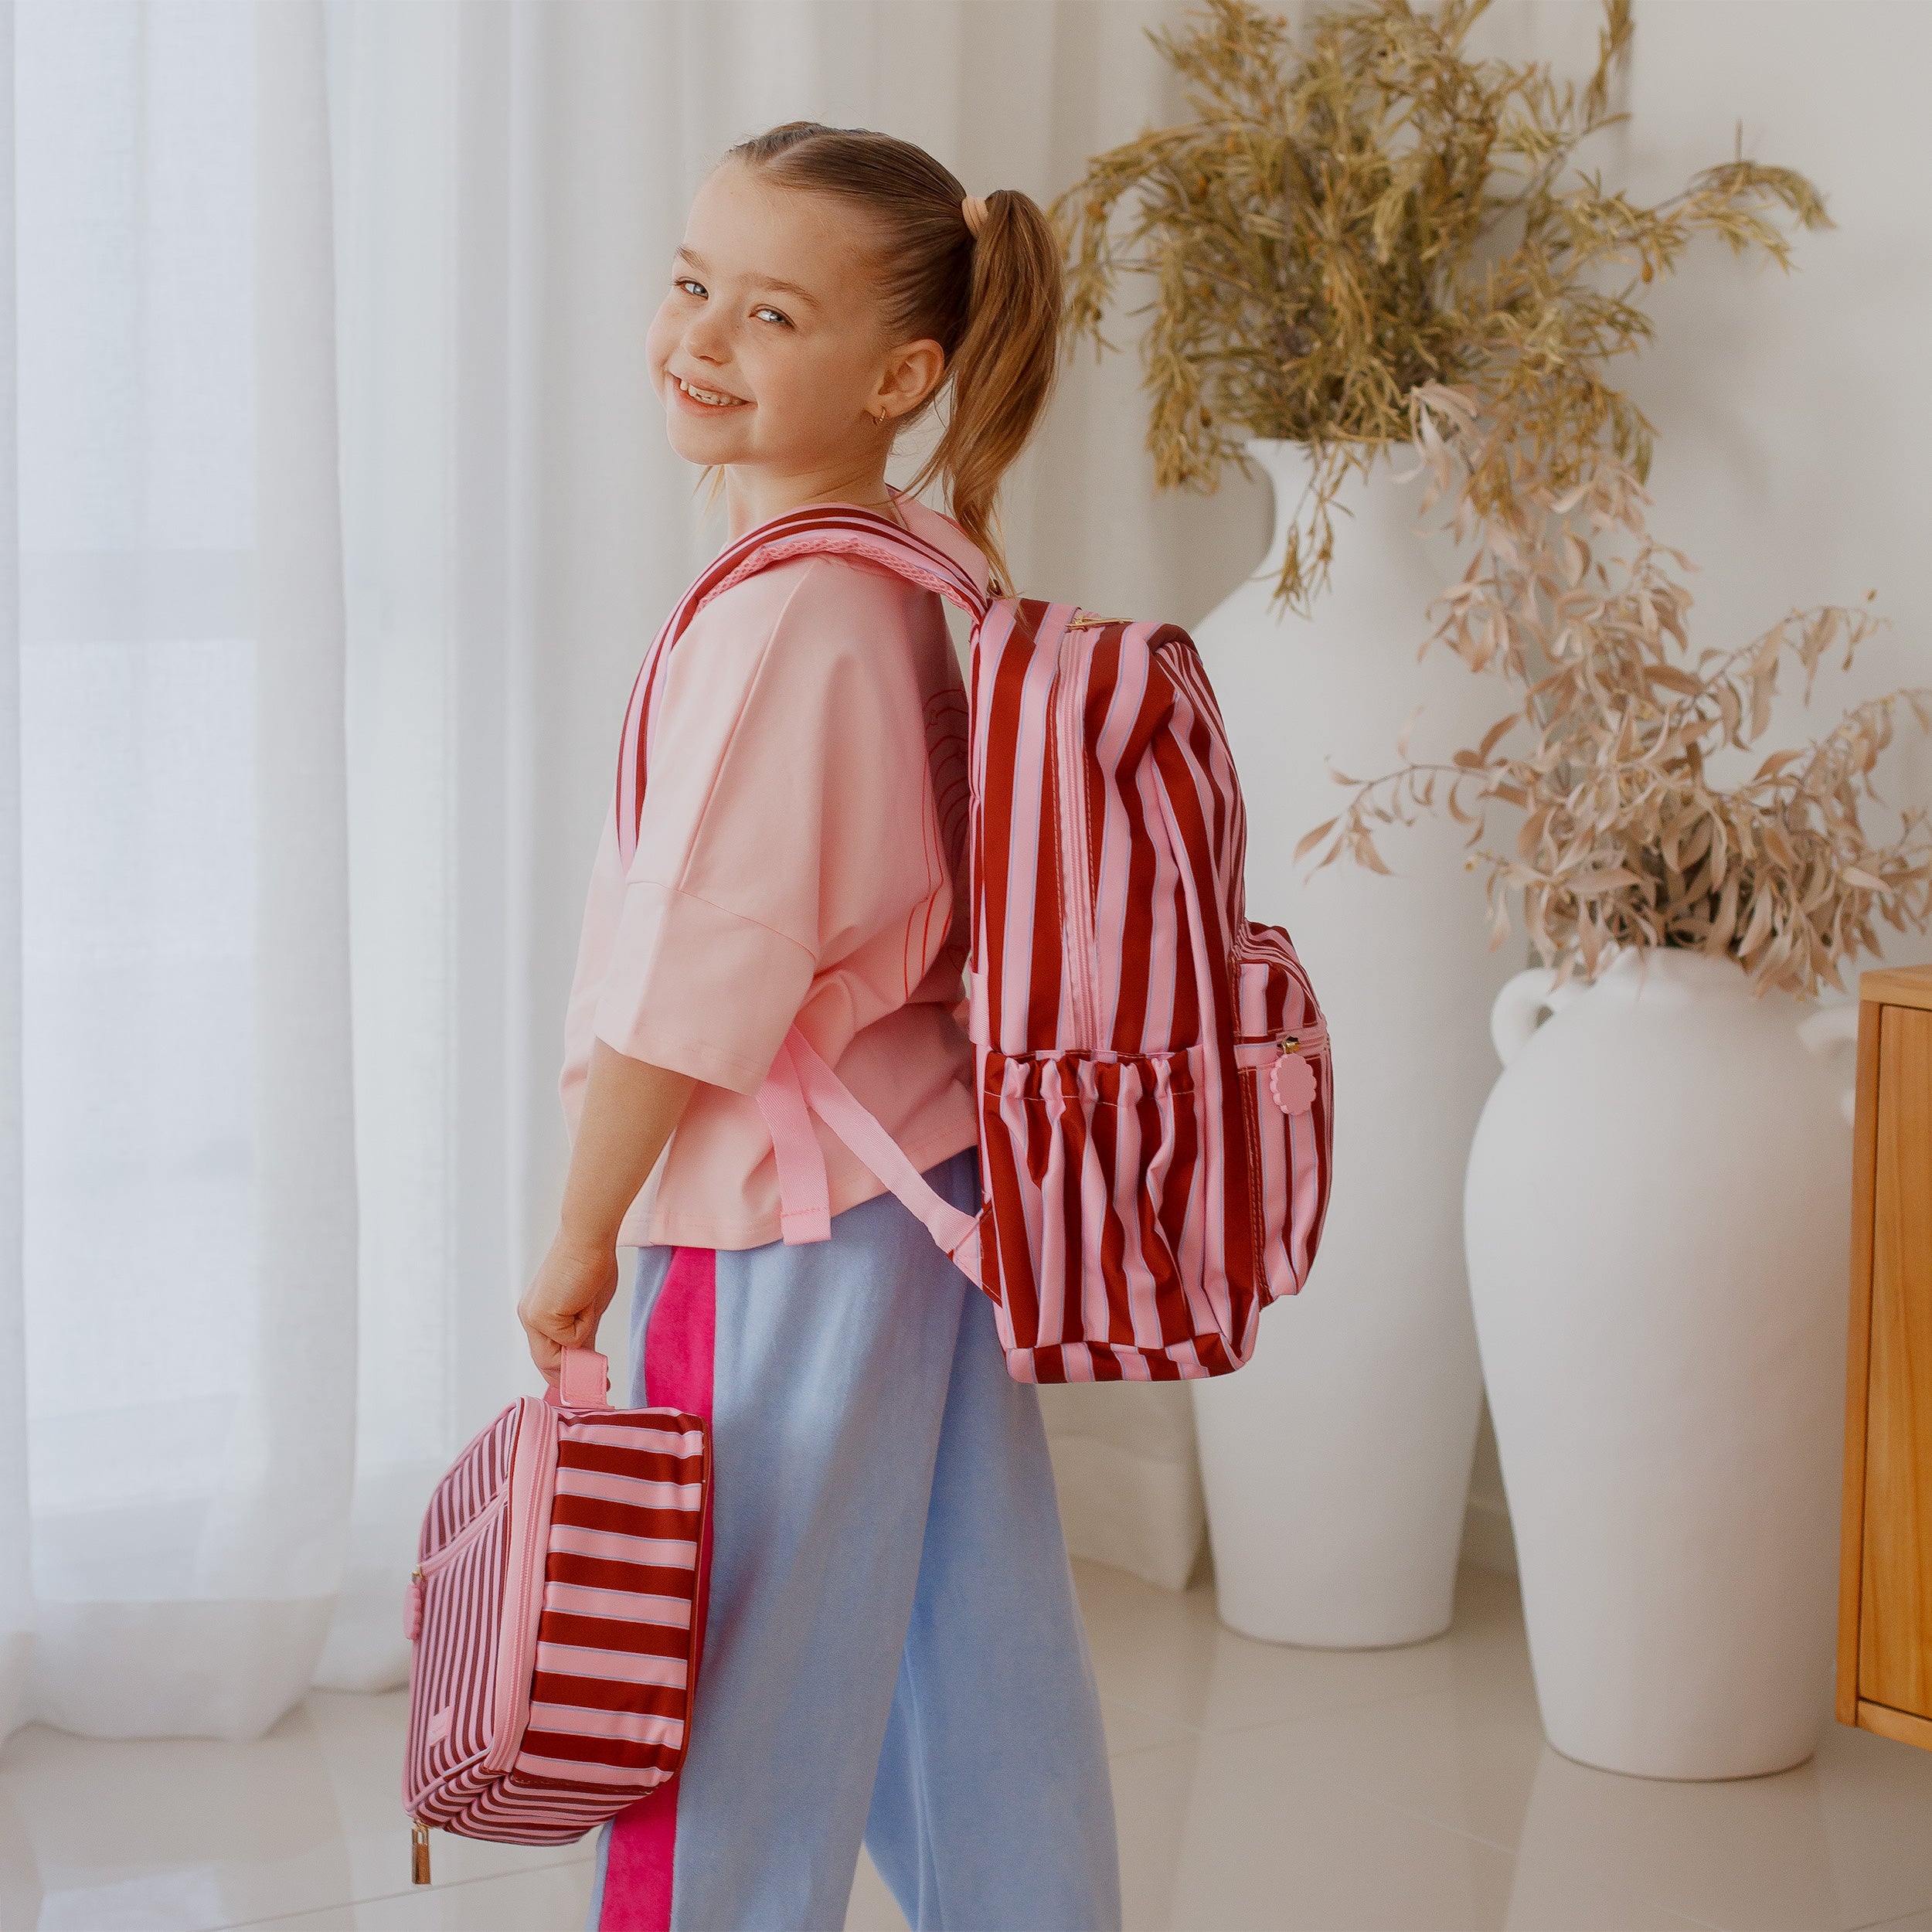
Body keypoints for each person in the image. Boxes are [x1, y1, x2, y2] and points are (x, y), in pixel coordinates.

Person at [517, 121, 1121, 1932]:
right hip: (930, 1191)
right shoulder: (923, 559)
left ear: (897, 375)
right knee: (970, 1647)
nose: (701, 336)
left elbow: (692, 979)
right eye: (691, 282)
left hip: (776, 1218)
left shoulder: (785, 615)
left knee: (720, 1662)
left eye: (770, 313)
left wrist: (579, 1233)